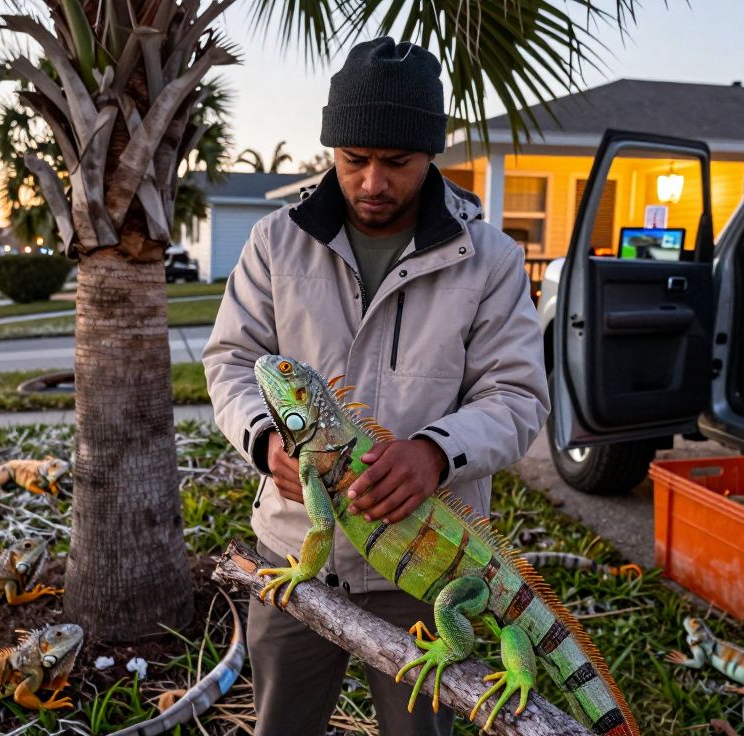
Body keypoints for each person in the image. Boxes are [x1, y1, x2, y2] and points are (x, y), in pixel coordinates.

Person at [203, 36, 548, 736]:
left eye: (397, 162)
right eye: (354, 159)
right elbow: (232, 362)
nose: (371, 182)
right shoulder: (275, 240)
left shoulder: (490, 259)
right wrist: (264, 437)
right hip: (293, 551)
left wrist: (437, 451)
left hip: (425, 572)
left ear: (432, 153)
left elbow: (518, 396)